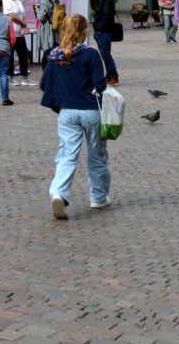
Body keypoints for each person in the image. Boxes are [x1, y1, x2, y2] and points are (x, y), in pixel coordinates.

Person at [40, 13, 110, 220]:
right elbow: (100, 85)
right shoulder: (91, 54)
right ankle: (98, 196)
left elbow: (44, 84)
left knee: (67, 155)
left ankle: (59, 193)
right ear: (84, 32)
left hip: (67, 111)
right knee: (97, 155)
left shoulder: (54, 55)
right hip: (91, 110)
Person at [2, 0, 33, 86]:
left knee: (23, 55)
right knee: (10, 56)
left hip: (20, 34)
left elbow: (23, 15)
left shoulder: (18, 1)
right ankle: (11, 78)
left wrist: (24, 27)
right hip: (10, 33)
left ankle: (25, 78)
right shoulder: (5, 1)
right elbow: (11, 16)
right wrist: (23, 23)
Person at [89, 0, 119, 86]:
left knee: (106, 55)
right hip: (101, 31)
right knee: (104, 55)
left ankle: (113, 76)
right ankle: (110, 75)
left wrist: (99, 28)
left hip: (104, 31)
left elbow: (107, 16)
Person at [34, 0, 60, 71]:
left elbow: (41, 17)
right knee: (51, 54)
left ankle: (48, 79)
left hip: (48, 30)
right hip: (55, 29)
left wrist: (37, 10)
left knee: (48, 55)